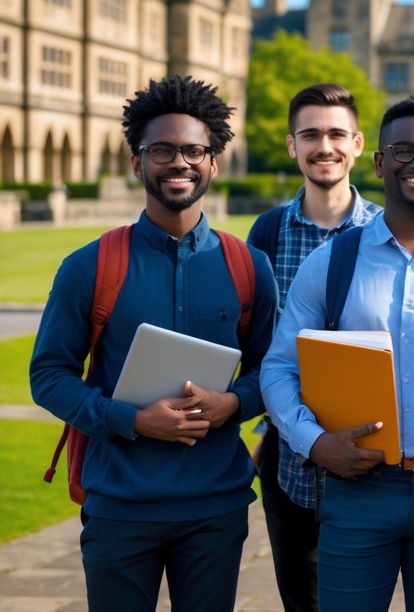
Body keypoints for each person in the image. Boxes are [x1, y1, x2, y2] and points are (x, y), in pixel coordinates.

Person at [30, 75, 278, 612]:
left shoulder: (247, 266)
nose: (179, 163)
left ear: (214, 161)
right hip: (120, 505)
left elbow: (273, 370)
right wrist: (132, 420)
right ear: (137, 161)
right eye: (161, 150)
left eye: (194, 150)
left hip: (216, 505)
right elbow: (48, 376)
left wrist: (233, 404)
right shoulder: (89, 266)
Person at [261, 97, 414, 612]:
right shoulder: (333, 261)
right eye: (403, 150)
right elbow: (279, 367)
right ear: (379, 162)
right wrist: (314, 442)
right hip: (357, 487)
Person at [248, 83, 381, 612]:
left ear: (356, 143)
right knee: (301, 599)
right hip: (288, 451)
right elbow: (256, 343)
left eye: (335, 134)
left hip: (372, 446)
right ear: (291, 145)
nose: (323, 146)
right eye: (310, 135)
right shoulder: (270, 230)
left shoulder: (384, 230)